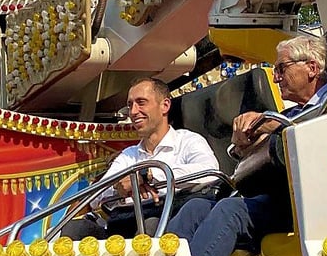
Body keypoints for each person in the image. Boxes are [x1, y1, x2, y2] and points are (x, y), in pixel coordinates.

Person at [166, 35, 327, 256]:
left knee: (230, 211)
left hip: (317, 202)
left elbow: (325, 130)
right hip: (282, 195)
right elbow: (262, 153)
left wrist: (270, 121)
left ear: (311, 68)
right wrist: (244, 143)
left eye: (281, 68)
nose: (276, 77)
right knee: (196, 208)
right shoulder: (291, 113)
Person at [62, 77, 220, 239]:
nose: (133, 111)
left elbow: (210, 171)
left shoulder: (188, 141)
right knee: (75, 229)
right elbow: (96, 197)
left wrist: (147, 176)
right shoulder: (129, 155)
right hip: (124, 224)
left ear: (165, 106)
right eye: (130, 105)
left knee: (149, 226)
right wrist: (120, 185)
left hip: (169, 222)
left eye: (141, 102)